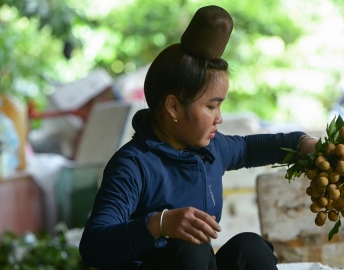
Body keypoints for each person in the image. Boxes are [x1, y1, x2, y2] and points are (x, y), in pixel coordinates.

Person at [79, 5, 318, 270]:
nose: (219, 118)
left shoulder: (212, 149)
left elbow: (253, 148)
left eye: (220, 106)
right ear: (173, 107)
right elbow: (93, 247)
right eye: (210, 106)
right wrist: (160, 224)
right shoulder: (133, 165)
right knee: (191, 248)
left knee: (251, 248)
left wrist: (302, 144)